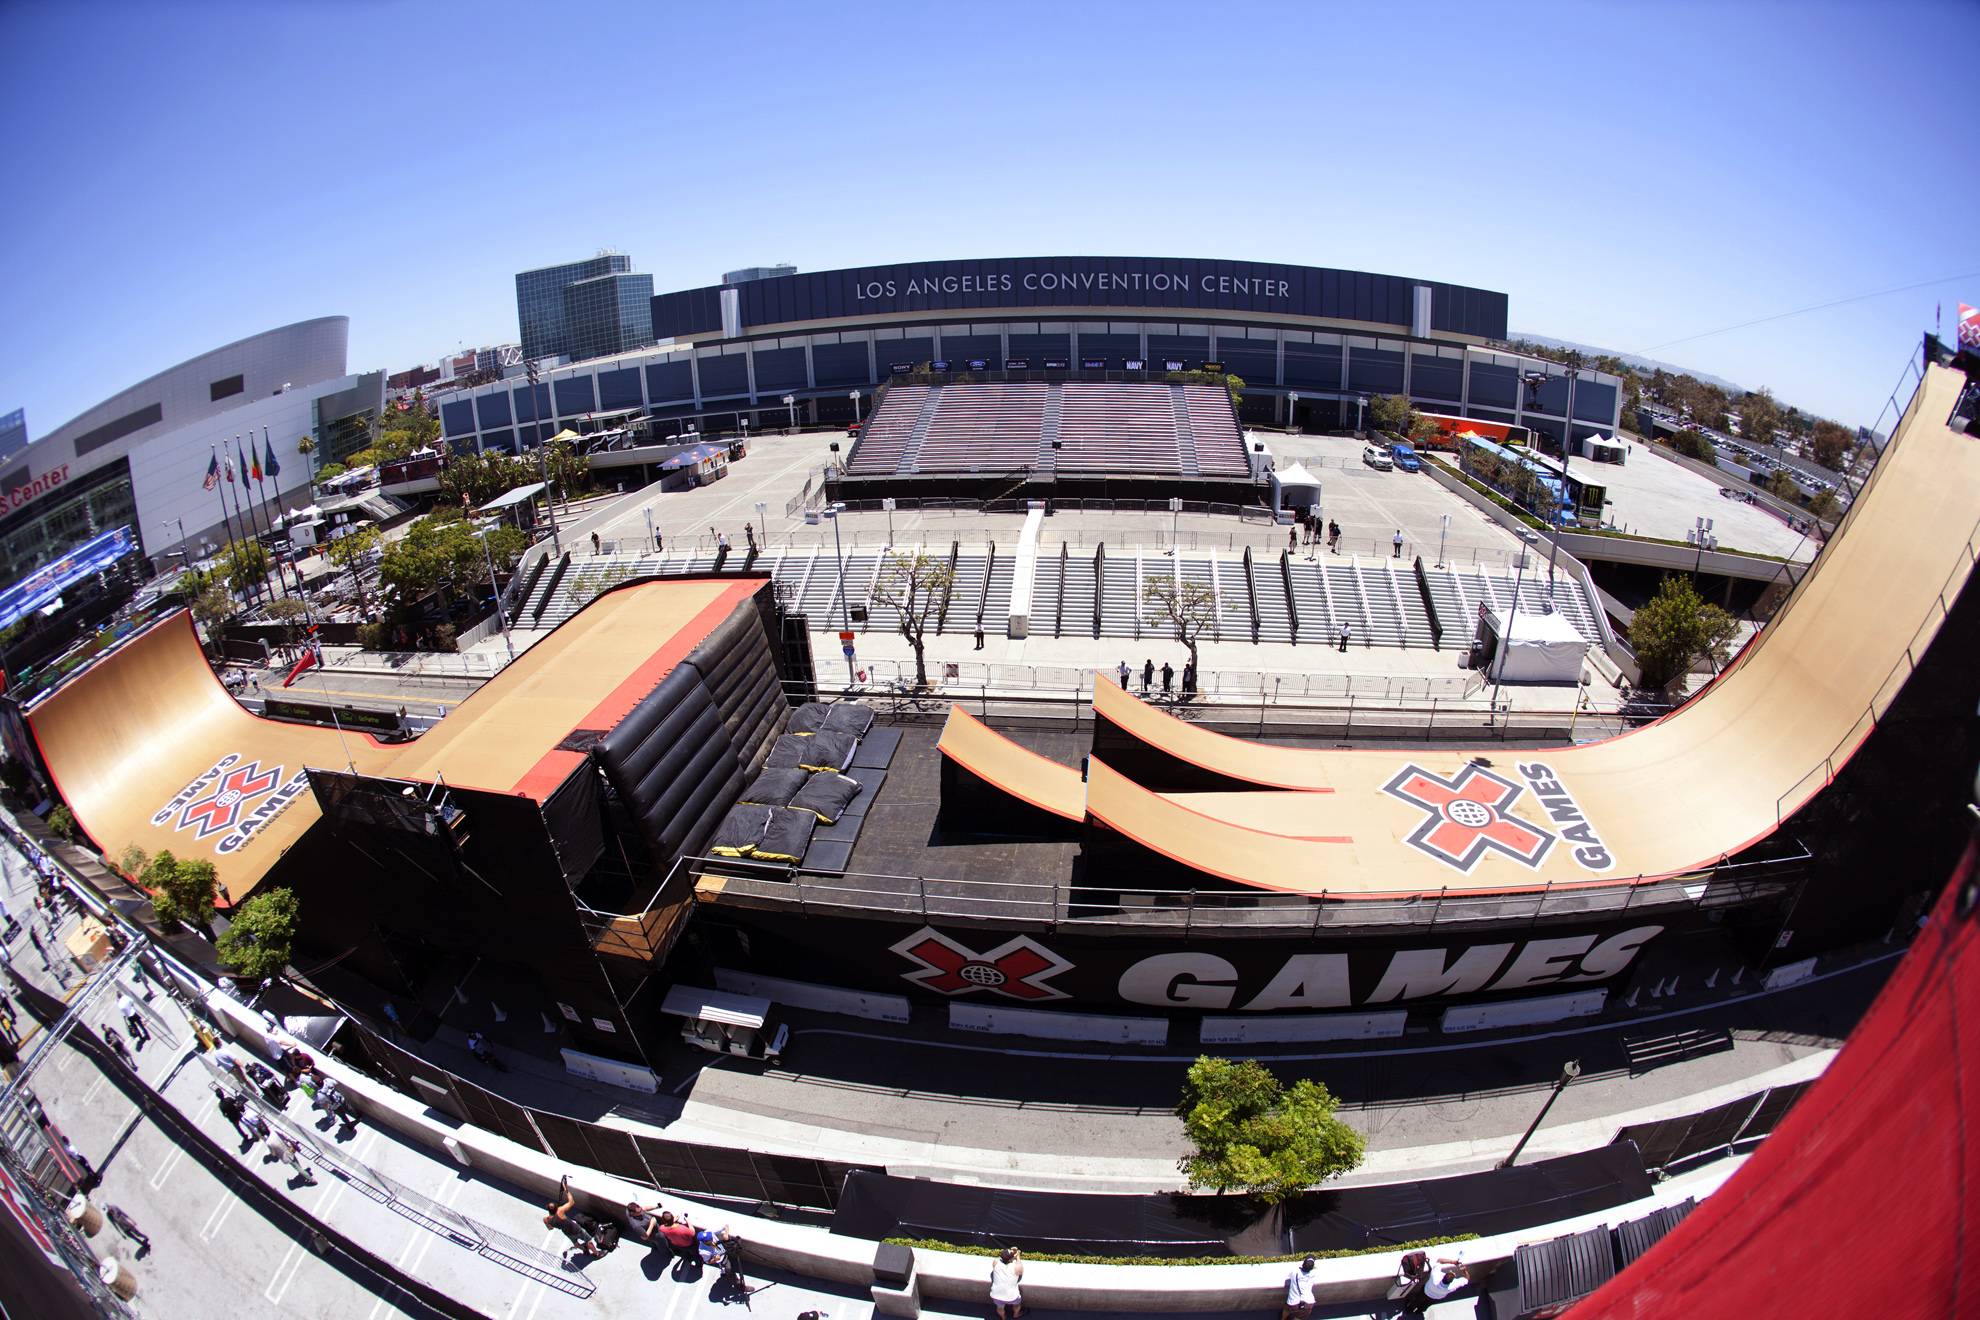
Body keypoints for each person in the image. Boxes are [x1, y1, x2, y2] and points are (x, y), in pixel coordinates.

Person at [544, 1178, 600, 1262]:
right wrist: (566, 1189)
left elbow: (550, 1228)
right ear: (556, 1208)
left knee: (576, 1244)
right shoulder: (560, 1211)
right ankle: (596, 1254)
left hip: (567, 1232)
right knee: (589, 1241)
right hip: (576, 1229)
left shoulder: (546, 1219)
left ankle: (584, 1249)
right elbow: (571, 1202)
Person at [989, 1246, 1024, 1320]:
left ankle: (1003, 1317)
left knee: (999, 1307)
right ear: (1011, 1259)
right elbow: (1020, 1270)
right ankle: (1016, 1314)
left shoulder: (995, 1262)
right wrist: (1018, 1256)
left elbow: (1003, 1259)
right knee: (1017, 1305)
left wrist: (1011, 1254)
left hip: (996, 1295)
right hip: (1012, 1296)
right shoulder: (1016, 1267)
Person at [1281, 1254, 1318, 1319]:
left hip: (1293, 1303)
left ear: (1303, 1263)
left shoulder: (1295, 1272)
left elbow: (1289, 1276)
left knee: (1286, 1309)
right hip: (1309, 1303)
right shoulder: (1314, 1274)